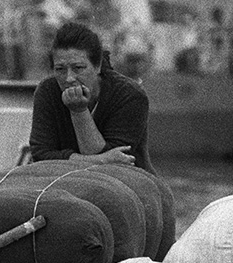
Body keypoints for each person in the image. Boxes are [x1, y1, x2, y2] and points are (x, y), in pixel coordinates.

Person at [29, 22, 155, 174]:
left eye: (78, 68)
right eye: (60, 69)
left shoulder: (130, 95)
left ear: (97, 66)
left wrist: (79, 111)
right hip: (63, 179)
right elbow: (41, 154)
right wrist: (101, 160)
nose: (69, 78)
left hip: (127, 182)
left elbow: (116, 161)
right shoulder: (47, 90)